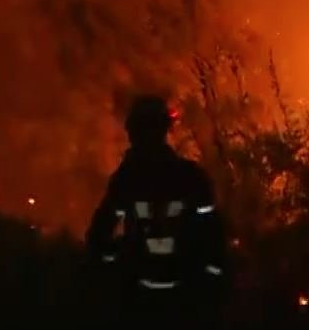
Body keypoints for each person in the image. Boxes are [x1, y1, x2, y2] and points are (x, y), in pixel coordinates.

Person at [86, 94, 227, 328]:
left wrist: (117, 260)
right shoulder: (191, 177)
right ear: (165, 130)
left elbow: (98, 238)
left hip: (143, 303)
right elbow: (215, 241)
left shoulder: (127, 180)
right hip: (183, 302)